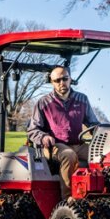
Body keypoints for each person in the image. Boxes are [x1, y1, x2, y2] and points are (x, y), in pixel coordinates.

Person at [26, 65, 97, 196]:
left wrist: (104, 129)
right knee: (69, 155)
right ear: (51, 82)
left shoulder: (82, 99)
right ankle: (69, 199)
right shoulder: (43, 102)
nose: (62, 83)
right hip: (54, 147)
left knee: (101, 155)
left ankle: (99, 193)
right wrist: (43, 137)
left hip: (79, 144)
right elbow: (33, 129)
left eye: (65, 79)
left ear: (70, 79)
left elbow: (93, 124)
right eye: (57, 80)